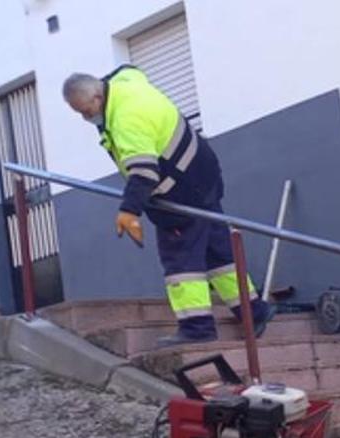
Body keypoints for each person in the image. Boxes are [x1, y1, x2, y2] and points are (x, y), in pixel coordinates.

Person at [63, 66, 272, 348]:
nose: (86, 117)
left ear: (98, 96)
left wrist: (129, 211)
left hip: (180, 195)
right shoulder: (127, 83)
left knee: (181, 263)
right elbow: (130, 69)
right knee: (219, 255)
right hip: (204, 177)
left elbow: (144, 173)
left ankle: (197, 327)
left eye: (86, 110)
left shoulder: (126, 119)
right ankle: (254, 312)